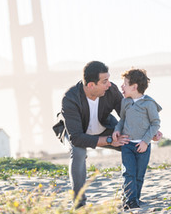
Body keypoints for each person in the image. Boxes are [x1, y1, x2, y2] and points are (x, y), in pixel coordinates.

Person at [52, 61, 161, 209]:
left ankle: (130, 198)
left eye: (108, 79)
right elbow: (76, 138)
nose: (109, 84)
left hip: (104, 127)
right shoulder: (70, 98)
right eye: (105, 81)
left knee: (131, 144)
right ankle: (79, 205)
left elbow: (129, 115)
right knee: (78, 152)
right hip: (76, 134)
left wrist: (149, 132)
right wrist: (109, 140)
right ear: (91, 85)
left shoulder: (111, 90)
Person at [113, 68, 161, 210]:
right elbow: (122, 120)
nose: (122, 86)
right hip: (127, 145)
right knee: (128, 173)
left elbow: (155, 123)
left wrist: (146, 141)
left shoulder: (149, 104)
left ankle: (135, 199)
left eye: (125, 84)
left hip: (143, 146)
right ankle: (130, 201)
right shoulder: (125, 102)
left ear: (134, 87)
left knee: (139, 175)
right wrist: (117, 129)